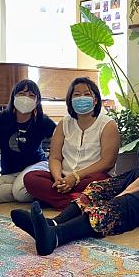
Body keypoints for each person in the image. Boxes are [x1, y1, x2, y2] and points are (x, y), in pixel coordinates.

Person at [11, 74, 139, 256]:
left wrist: (128, 190)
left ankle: (56, 237)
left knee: (122, 203)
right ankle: (53, 224)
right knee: (98, 188)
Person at [22, 77, 119, 210]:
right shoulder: (64, 123)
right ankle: (75, 202)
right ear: (70, 100)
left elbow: (107, 162)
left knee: (101, 181)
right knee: (30, 178)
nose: (81, 98)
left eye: (86, 94)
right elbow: (55, 157)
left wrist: (76, 177)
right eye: (77, 95)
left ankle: (58, 200)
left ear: (95, 100)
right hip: (63, 177)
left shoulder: (107, 124)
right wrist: (58, 179)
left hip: (89, 178)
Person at [0, 80, 56, 204]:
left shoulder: (43, 121)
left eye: (31, 95)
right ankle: (33, 189)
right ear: (13, 96)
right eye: (21, 94)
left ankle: (28, 187)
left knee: (20, 192)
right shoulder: (0, 119)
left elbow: (59, 146)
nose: (26, 98)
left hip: (35, 168)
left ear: (37, 101)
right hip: (10, 173)